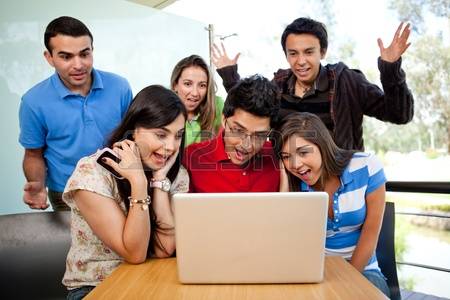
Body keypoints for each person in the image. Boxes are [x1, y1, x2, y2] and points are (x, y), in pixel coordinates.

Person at [62, 85, 189, 299]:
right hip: (94, 287)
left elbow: (164, 250)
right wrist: (138, 181)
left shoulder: (175, 175)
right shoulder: (92, 171)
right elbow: (135, 253)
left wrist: (158, 181)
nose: (170, 146)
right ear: (133, 129)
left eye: (178, 136)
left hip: (151, 280)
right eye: (161, 134)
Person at [212, 17, 414, 151]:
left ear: (323, 52)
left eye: (309, 52)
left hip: (339, 185)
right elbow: (251, 109)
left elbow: (399, 115)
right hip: (289, 187)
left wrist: (390, 69)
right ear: (286, 55)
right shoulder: (278, 86)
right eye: (293, 53)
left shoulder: (347, 82)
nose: (300, 61)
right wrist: (230, 77)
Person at [18, 16, 133, 211]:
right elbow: (33, 154)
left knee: (119, 242)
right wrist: (37, 184)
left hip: (116, 185)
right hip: (67, 192)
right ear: (49, 57)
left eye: (84, 54)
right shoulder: (33, 101)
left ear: (92, 51)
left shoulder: (120, 87)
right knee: (76, 243)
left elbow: (132, 138)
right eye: (66, 56)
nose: (78, 65)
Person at [275, 112, 389, 297]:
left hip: (364, 270)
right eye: (286, 157)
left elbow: (371, 232)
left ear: (323, 146)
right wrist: (284, 184)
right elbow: (287, 240)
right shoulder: (294, 183)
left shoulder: (366, 166)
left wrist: (347, 280)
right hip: (314, 272)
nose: (295, 164)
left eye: (303, 152)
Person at [183, 75, 280, 192]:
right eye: (238, 131)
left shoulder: (277, 156)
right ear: (224, 120)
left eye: (259, 136)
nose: (246, 145)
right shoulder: (191, 157)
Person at [170, 54, 224, 146]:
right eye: (187, 84)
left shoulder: (216, 105)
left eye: (202, 85)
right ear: (175, 85)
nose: (195, 93)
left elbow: (244, 114)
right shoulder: (162, 109)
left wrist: (230, 77)